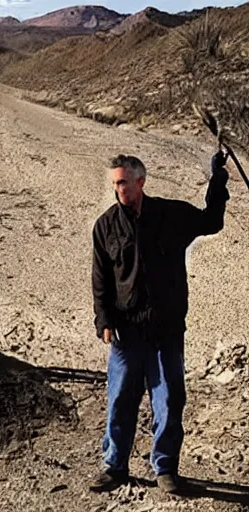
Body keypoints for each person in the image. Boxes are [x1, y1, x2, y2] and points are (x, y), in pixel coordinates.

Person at [89, 152, 229, 494]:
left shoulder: (171, 215)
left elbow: (211, 221)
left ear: (141, 181)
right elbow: (100, 278)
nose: (118, 189)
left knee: (168, 398)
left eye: (123, 182)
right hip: (126, 331)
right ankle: (115, 466)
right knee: (121, 399)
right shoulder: (106, 226)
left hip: (166, 330)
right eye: (115, 183)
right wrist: (104, 319)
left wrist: (218, 182)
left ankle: (165, 468)